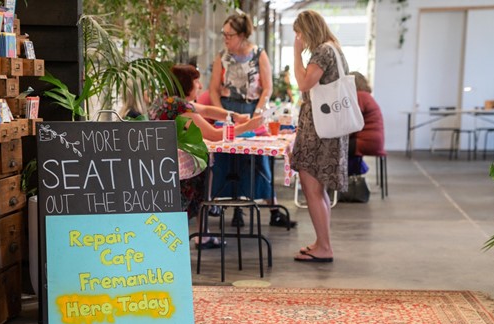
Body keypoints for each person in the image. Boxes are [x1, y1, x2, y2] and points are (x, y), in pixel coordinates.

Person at [148, 64, 263, 249]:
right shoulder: (179, 106)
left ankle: (203, 233)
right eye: (196, 82)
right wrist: (248, 126)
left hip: (158, 167)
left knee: (207, 166)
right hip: (176, 174)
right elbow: (214, 135)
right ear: (186, 84)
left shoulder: (167, 101)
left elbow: (207, 111)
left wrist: (235, 116)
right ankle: (198, 234)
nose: (200, 86)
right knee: (206, 168)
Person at [209, 12, 296, 229]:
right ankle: (224, 204)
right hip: (229, 110)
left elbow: (267, 87)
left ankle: (273, 209)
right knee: (225, 158)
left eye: (229, 35)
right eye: (224, 35)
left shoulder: (258, 54)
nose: (225, 39)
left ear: (241, 35)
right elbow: (213, 89)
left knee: (257, 160)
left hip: (251, 110)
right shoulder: (222, 56)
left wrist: (258, 111)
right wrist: (221, 115)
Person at [291, 10, 350, 263]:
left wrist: (295, 52)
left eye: (300, 33)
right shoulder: (333, 48)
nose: (299, 38)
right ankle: (321, 241)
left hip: (319, 130)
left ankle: (324, 247)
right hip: (325, 126)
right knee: (318, 189)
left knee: (311, 186)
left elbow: (304, 83)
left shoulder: (323, 51)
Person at [348, 71, 384, 176]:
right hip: (374, 141)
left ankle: (342, 184)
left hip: (366, 142)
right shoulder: (366, 96)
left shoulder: (359, 96)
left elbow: (353, 122)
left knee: (335, 148)